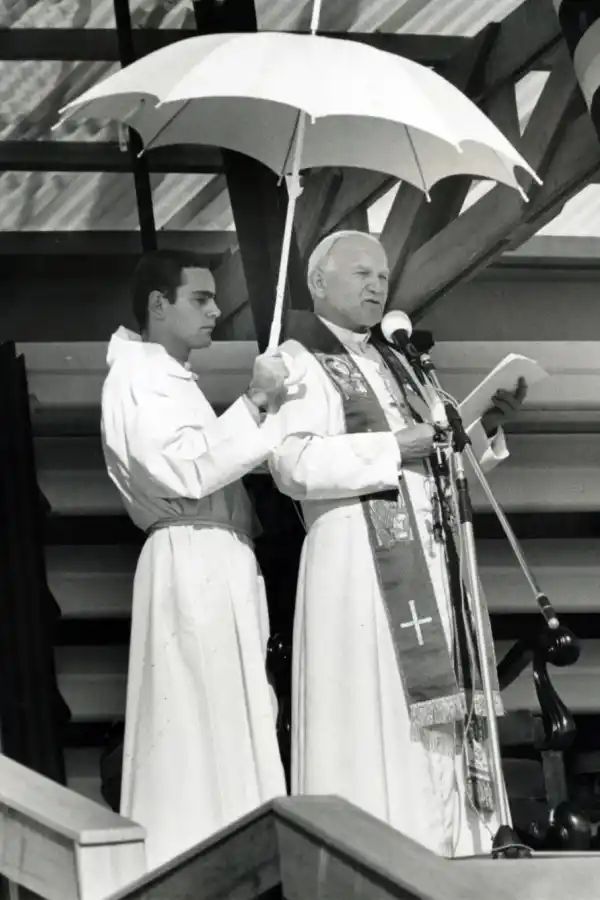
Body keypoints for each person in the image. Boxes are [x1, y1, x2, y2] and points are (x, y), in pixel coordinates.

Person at [268, 231, 527, 858]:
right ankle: (387, 855)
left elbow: (434, 471)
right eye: (361, 272)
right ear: (318, 282)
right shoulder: (299, 361)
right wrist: (391, 447)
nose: (377, 285)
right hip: (359, 566)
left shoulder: (400, 363)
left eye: (383, 275)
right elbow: (291, 464)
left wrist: (482, 428)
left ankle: (454, 849)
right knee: (374, 709)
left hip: (430, 563)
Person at [101, 250, 287, 870]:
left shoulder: (170, 376)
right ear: (159, 304)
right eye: (200, 299)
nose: (215, 310)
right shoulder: (139, 375)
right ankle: (196, 864)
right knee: (193, 721)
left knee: (227, 716)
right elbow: (182, 468)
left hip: (213, 553)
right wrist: (254, 401)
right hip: (189, 553)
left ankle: (237, 860)